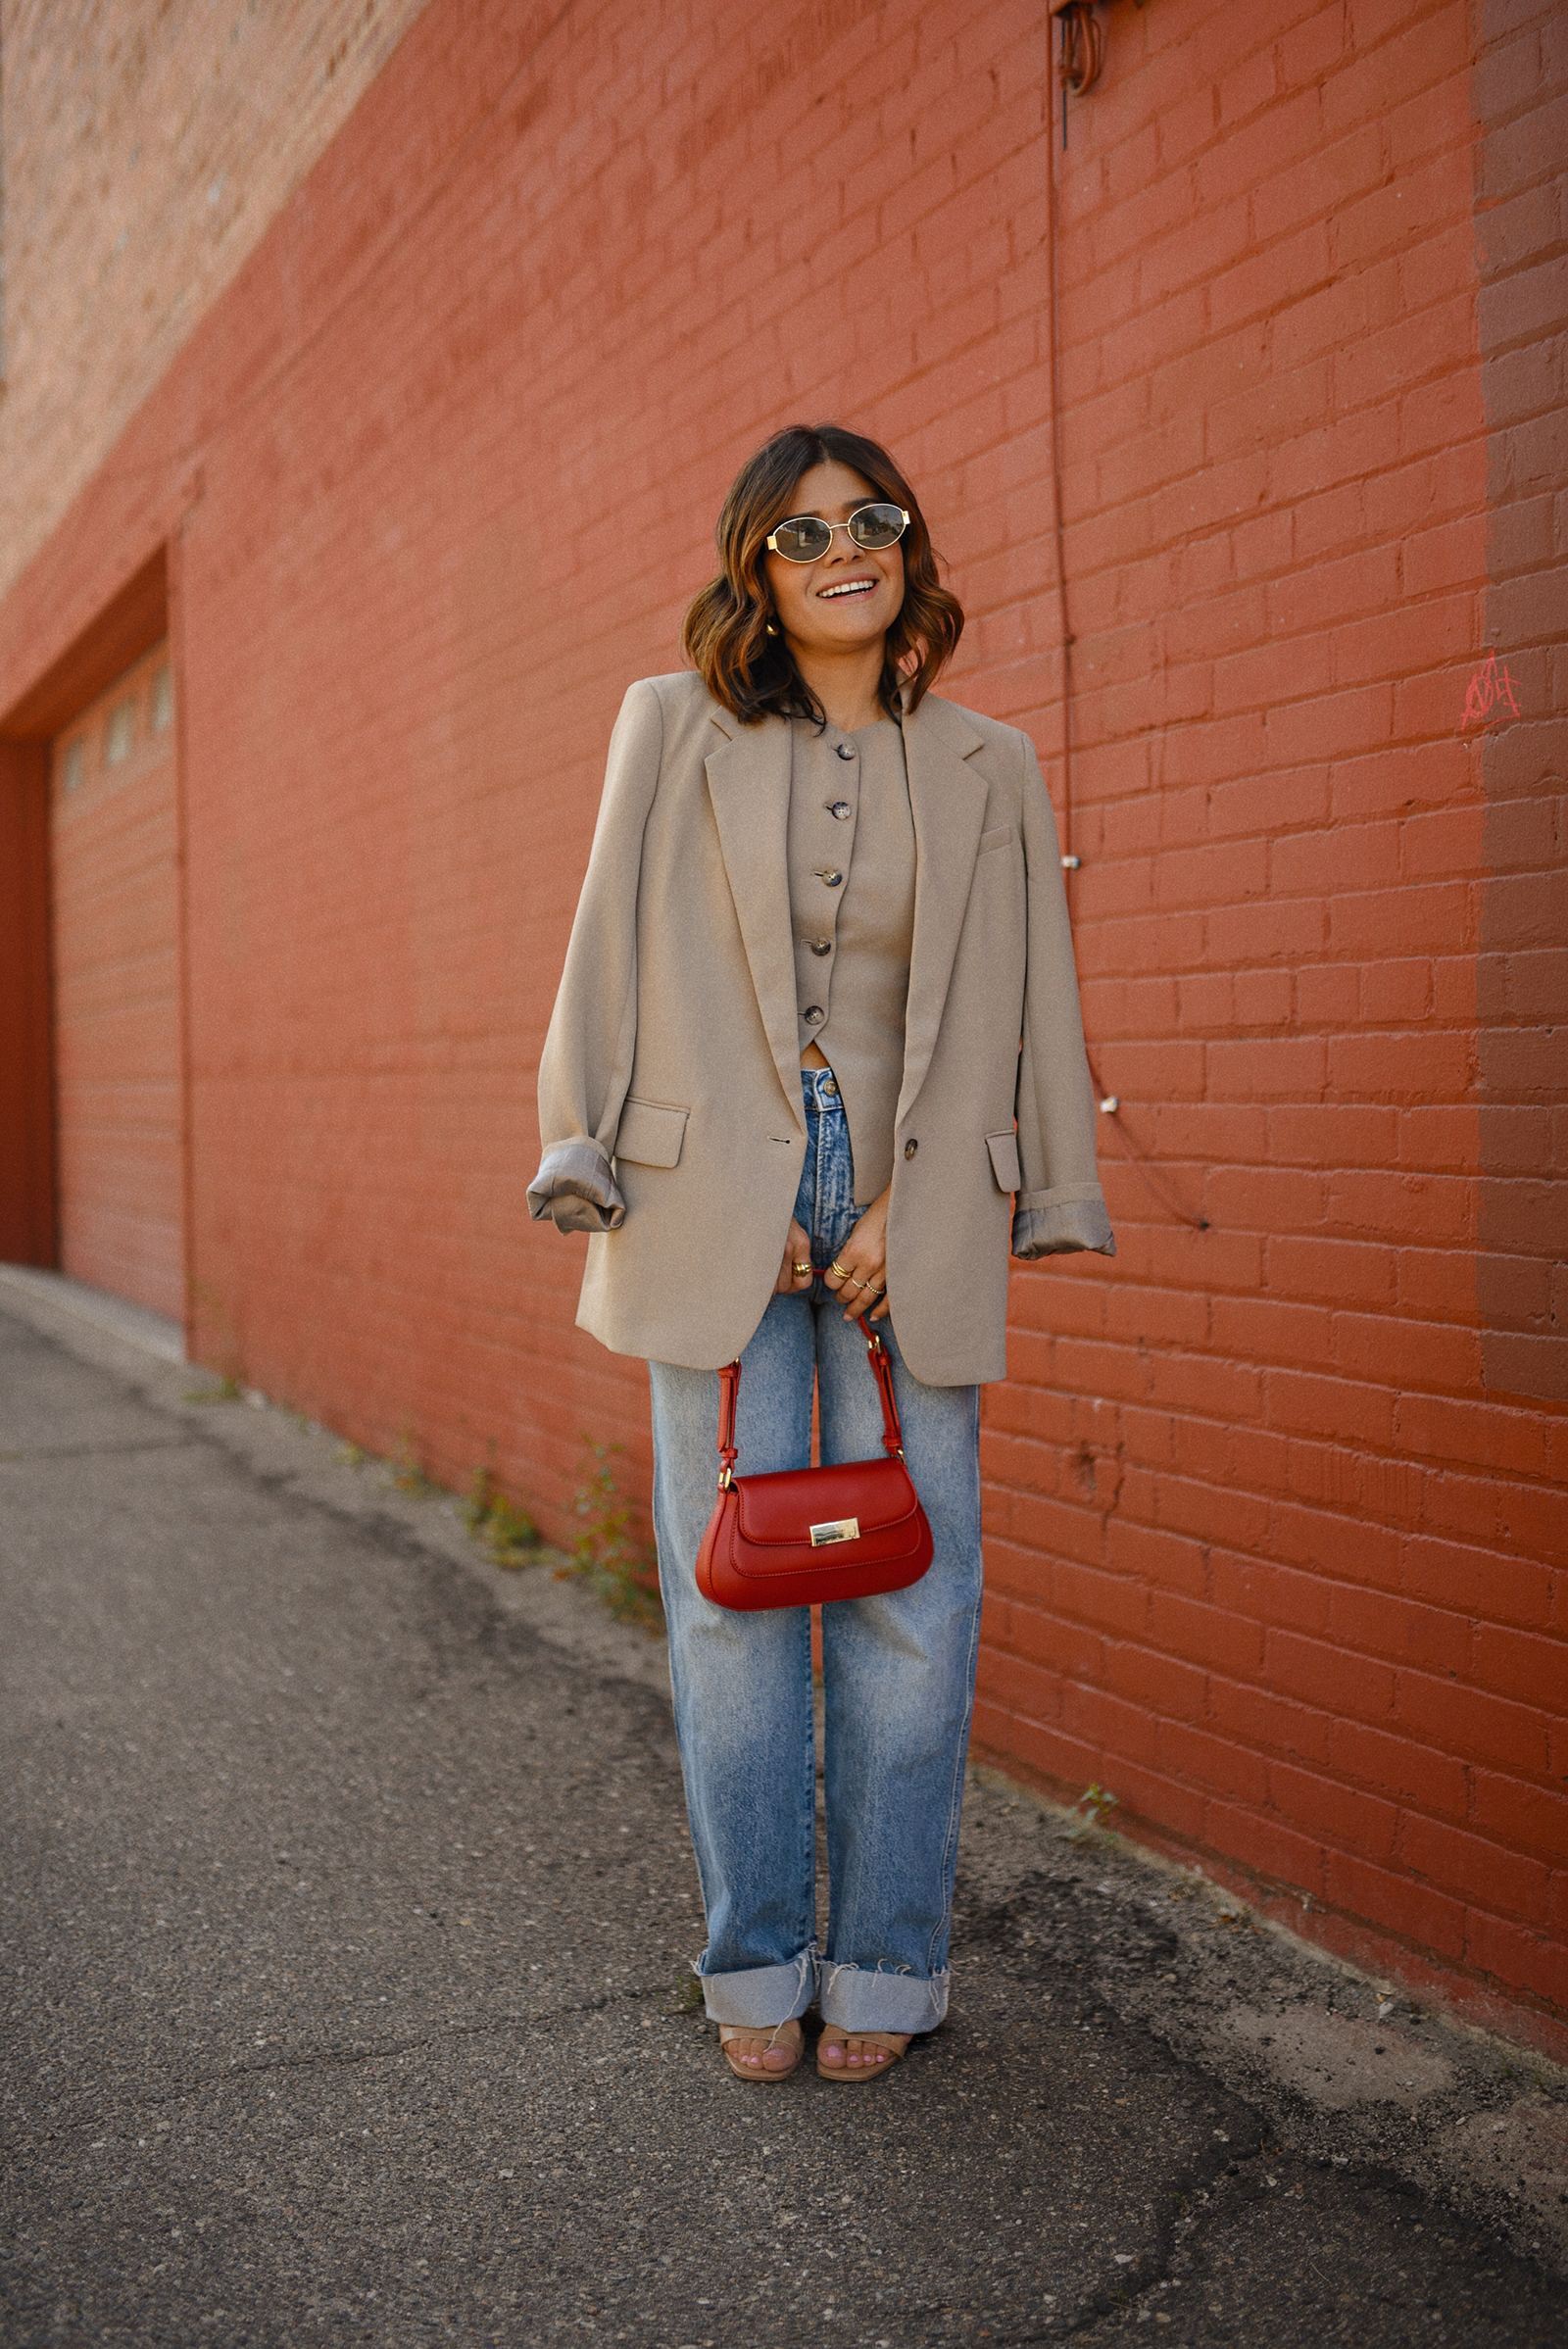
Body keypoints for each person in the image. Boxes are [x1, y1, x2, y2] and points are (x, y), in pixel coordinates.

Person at [528, 423, 1112, 2084]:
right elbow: (601, 946)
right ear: (754, 570)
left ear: (912, 549)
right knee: (731, 1602)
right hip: (710, 1194)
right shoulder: (673, 721)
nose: (842, 546)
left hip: (910, 1206)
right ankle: (758, 1958)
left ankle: (885, 1962)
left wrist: (1018, 1189)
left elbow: (1038, 992)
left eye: (874, 519)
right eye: (800, 532)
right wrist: (586, 1138)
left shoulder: (994, 763)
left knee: (912, 1601)